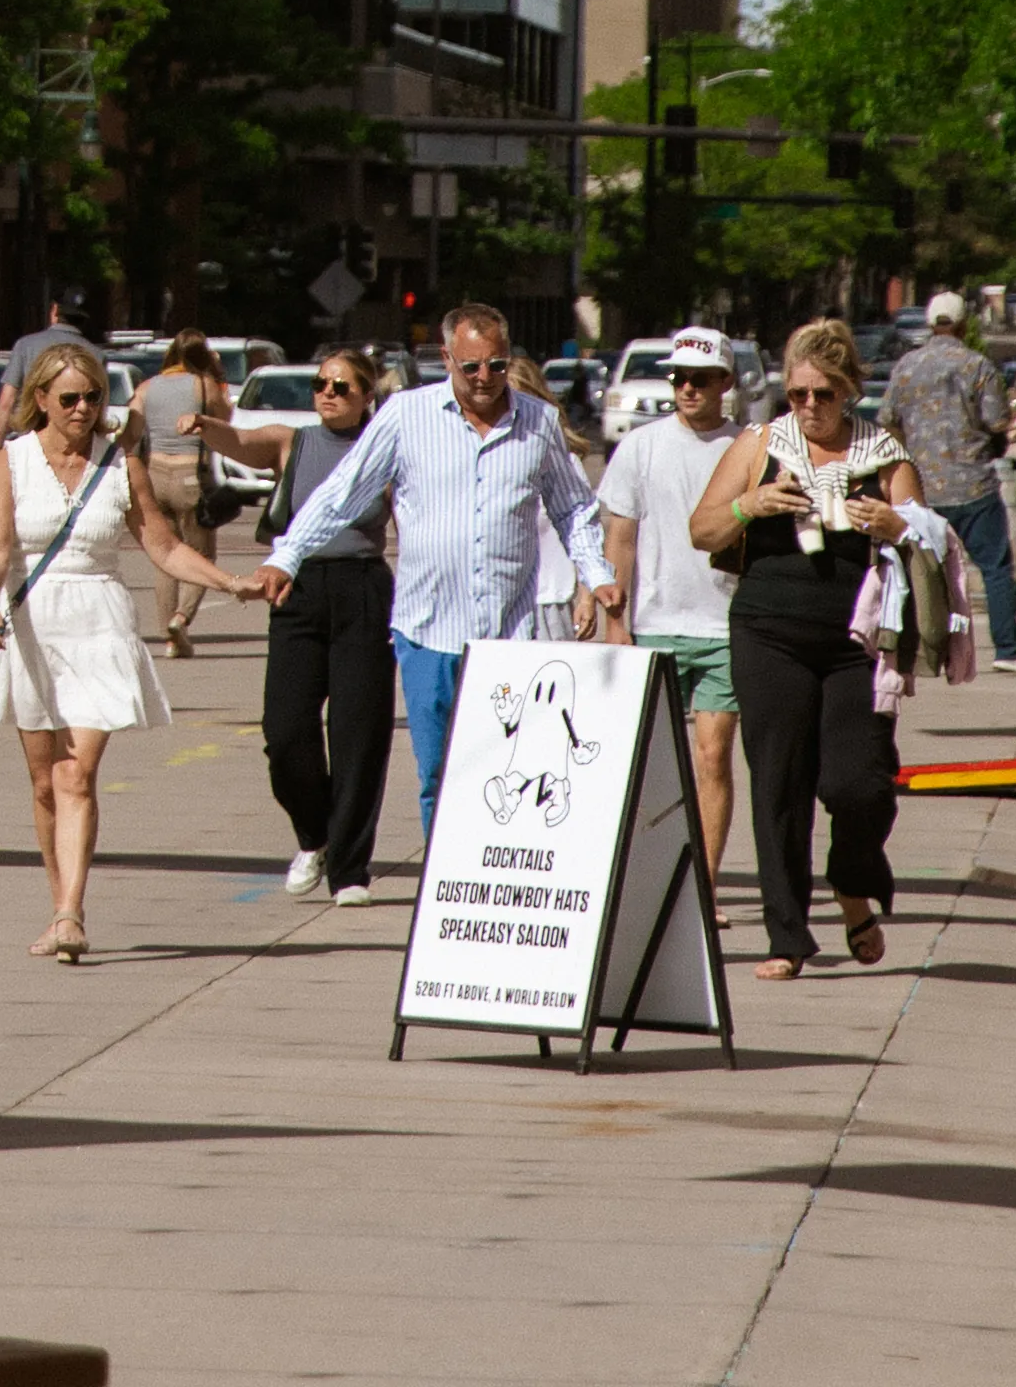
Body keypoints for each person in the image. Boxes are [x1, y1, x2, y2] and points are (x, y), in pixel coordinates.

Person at [0, 336, 275, 961]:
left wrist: (231, 582)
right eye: (70, 399)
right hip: (32, 624)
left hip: (98, 619)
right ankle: (58, 905)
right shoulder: (14, 460)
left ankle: (72, 911)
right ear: (41, 400)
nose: (82, 410)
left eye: (93, 398)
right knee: (44, 782)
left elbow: (162, 545)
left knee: (77, 774)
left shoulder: (120, 462)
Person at [251, 296, 603, 829]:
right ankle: (449, 894)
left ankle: (498, 880)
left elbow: (574, 506)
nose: (485, 378)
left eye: (497, 365)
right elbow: (341, 494)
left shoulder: (538, 423)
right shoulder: (407, 416)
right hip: (429, 631)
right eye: (471, 366)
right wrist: (289, 554)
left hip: (506, 635)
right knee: (439, 772)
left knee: (510, 768)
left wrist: (596, 575)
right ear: (446, 357)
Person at [686, 315, 919, 974]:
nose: (809, 407)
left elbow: (929, 541)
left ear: (850, 391)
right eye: (797, 394)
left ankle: (851, 883)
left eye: (823, 394)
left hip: (856, 640)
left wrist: (893, 522)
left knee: (859, 784)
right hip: (769, 632)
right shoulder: (762, 445)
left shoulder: (883, 453)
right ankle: (788, 937)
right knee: (778, 783)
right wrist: (749, 505)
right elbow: (701, 530)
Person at [581, 337, 752, 877]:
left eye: (700, 379)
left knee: (711, 757)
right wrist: (616, 623)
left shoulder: (749, 447)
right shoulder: (641, 446)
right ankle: (642, 877)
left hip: (724, 626)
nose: (686, 388)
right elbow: (621, 539)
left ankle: (704, 887)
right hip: (656, 625)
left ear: (726, 383)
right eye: (678, 378)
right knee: (648, 765)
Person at [256, 344, 399, 898]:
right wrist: (201, 425)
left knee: (358, 733)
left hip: (363, 585)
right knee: (285, 731)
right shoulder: (299, 441)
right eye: (321, 384)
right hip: (299, 585)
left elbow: (410, 514)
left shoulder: (383, 449)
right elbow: (241, 441)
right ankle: (315, 835)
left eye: (342, 387)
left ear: (367, 397)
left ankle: (349, 870)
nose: (328, 394)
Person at [885, 289, 1016, 670]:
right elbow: (997, 421)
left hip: (921, 488)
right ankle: (1007, 647)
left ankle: (920, 648)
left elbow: (889, 420)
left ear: (931, 324)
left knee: (922, 572)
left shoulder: (905, 367)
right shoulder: (978, 366)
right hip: (972, 484)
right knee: (994, 566)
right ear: (964, 324)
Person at [131, 335, 225, 651]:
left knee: (165, 556)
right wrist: (217, 375)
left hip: (154, 474)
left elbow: (130, 432)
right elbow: (225, 423)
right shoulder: (204, 385)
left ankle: (169, 637)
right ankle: (181, 619)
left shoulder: (147, 387)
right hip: (191, 475)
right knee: (201, 556)